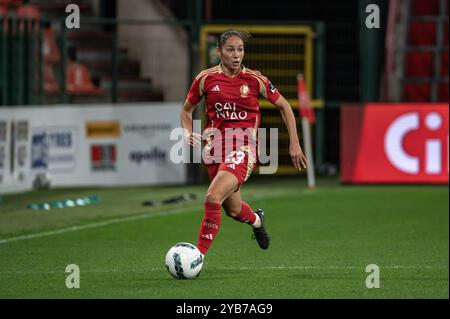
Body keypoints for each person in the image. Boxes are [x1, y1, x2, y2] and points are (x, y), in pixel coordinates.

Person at [180, 29, 307, 257]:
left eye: (240, 49)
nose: (237, 55)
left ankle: (196, 256)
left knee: (212, 197)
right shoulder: (205, 79)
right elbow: (187, 110)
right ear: (219, 52)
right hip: (215, 149)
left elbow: (285, 106)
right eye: (230, 50)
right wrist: (187, 131)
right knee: (234, 209)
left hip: (244, 148)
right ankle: (257, 221)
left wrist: (295, 144)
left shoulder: (255, 79)